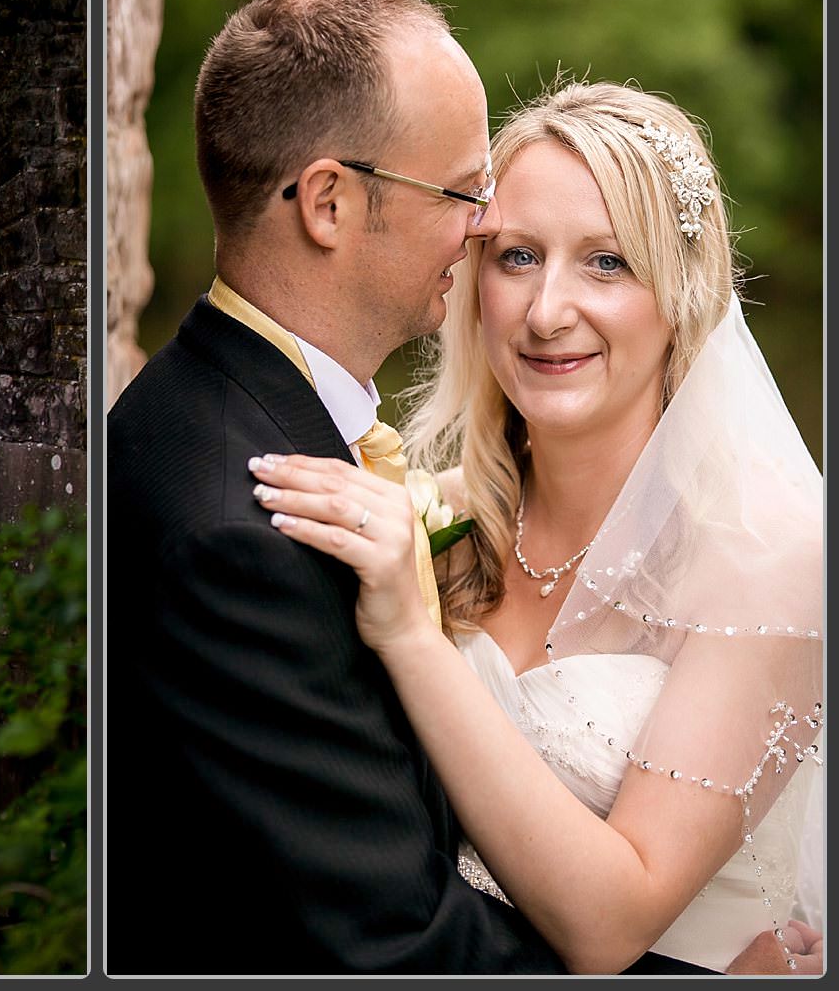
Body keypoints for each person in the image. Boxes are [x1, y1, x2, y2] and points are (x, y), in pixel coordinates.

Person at [248, 81, 824, 974]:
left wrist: (411, 636)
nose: (547, 311)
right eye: (516, 257)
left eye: (606, 263)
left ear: (682, 291)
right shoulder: (424, 517)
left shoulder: (770, 560)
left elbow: (609, 927)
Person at [105, 0, 570, 973]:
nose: (485, 224)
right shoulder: (238, 534)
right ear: (328, 202)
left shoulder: (222, 416)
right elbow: (396, 949)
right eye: (463, 190)